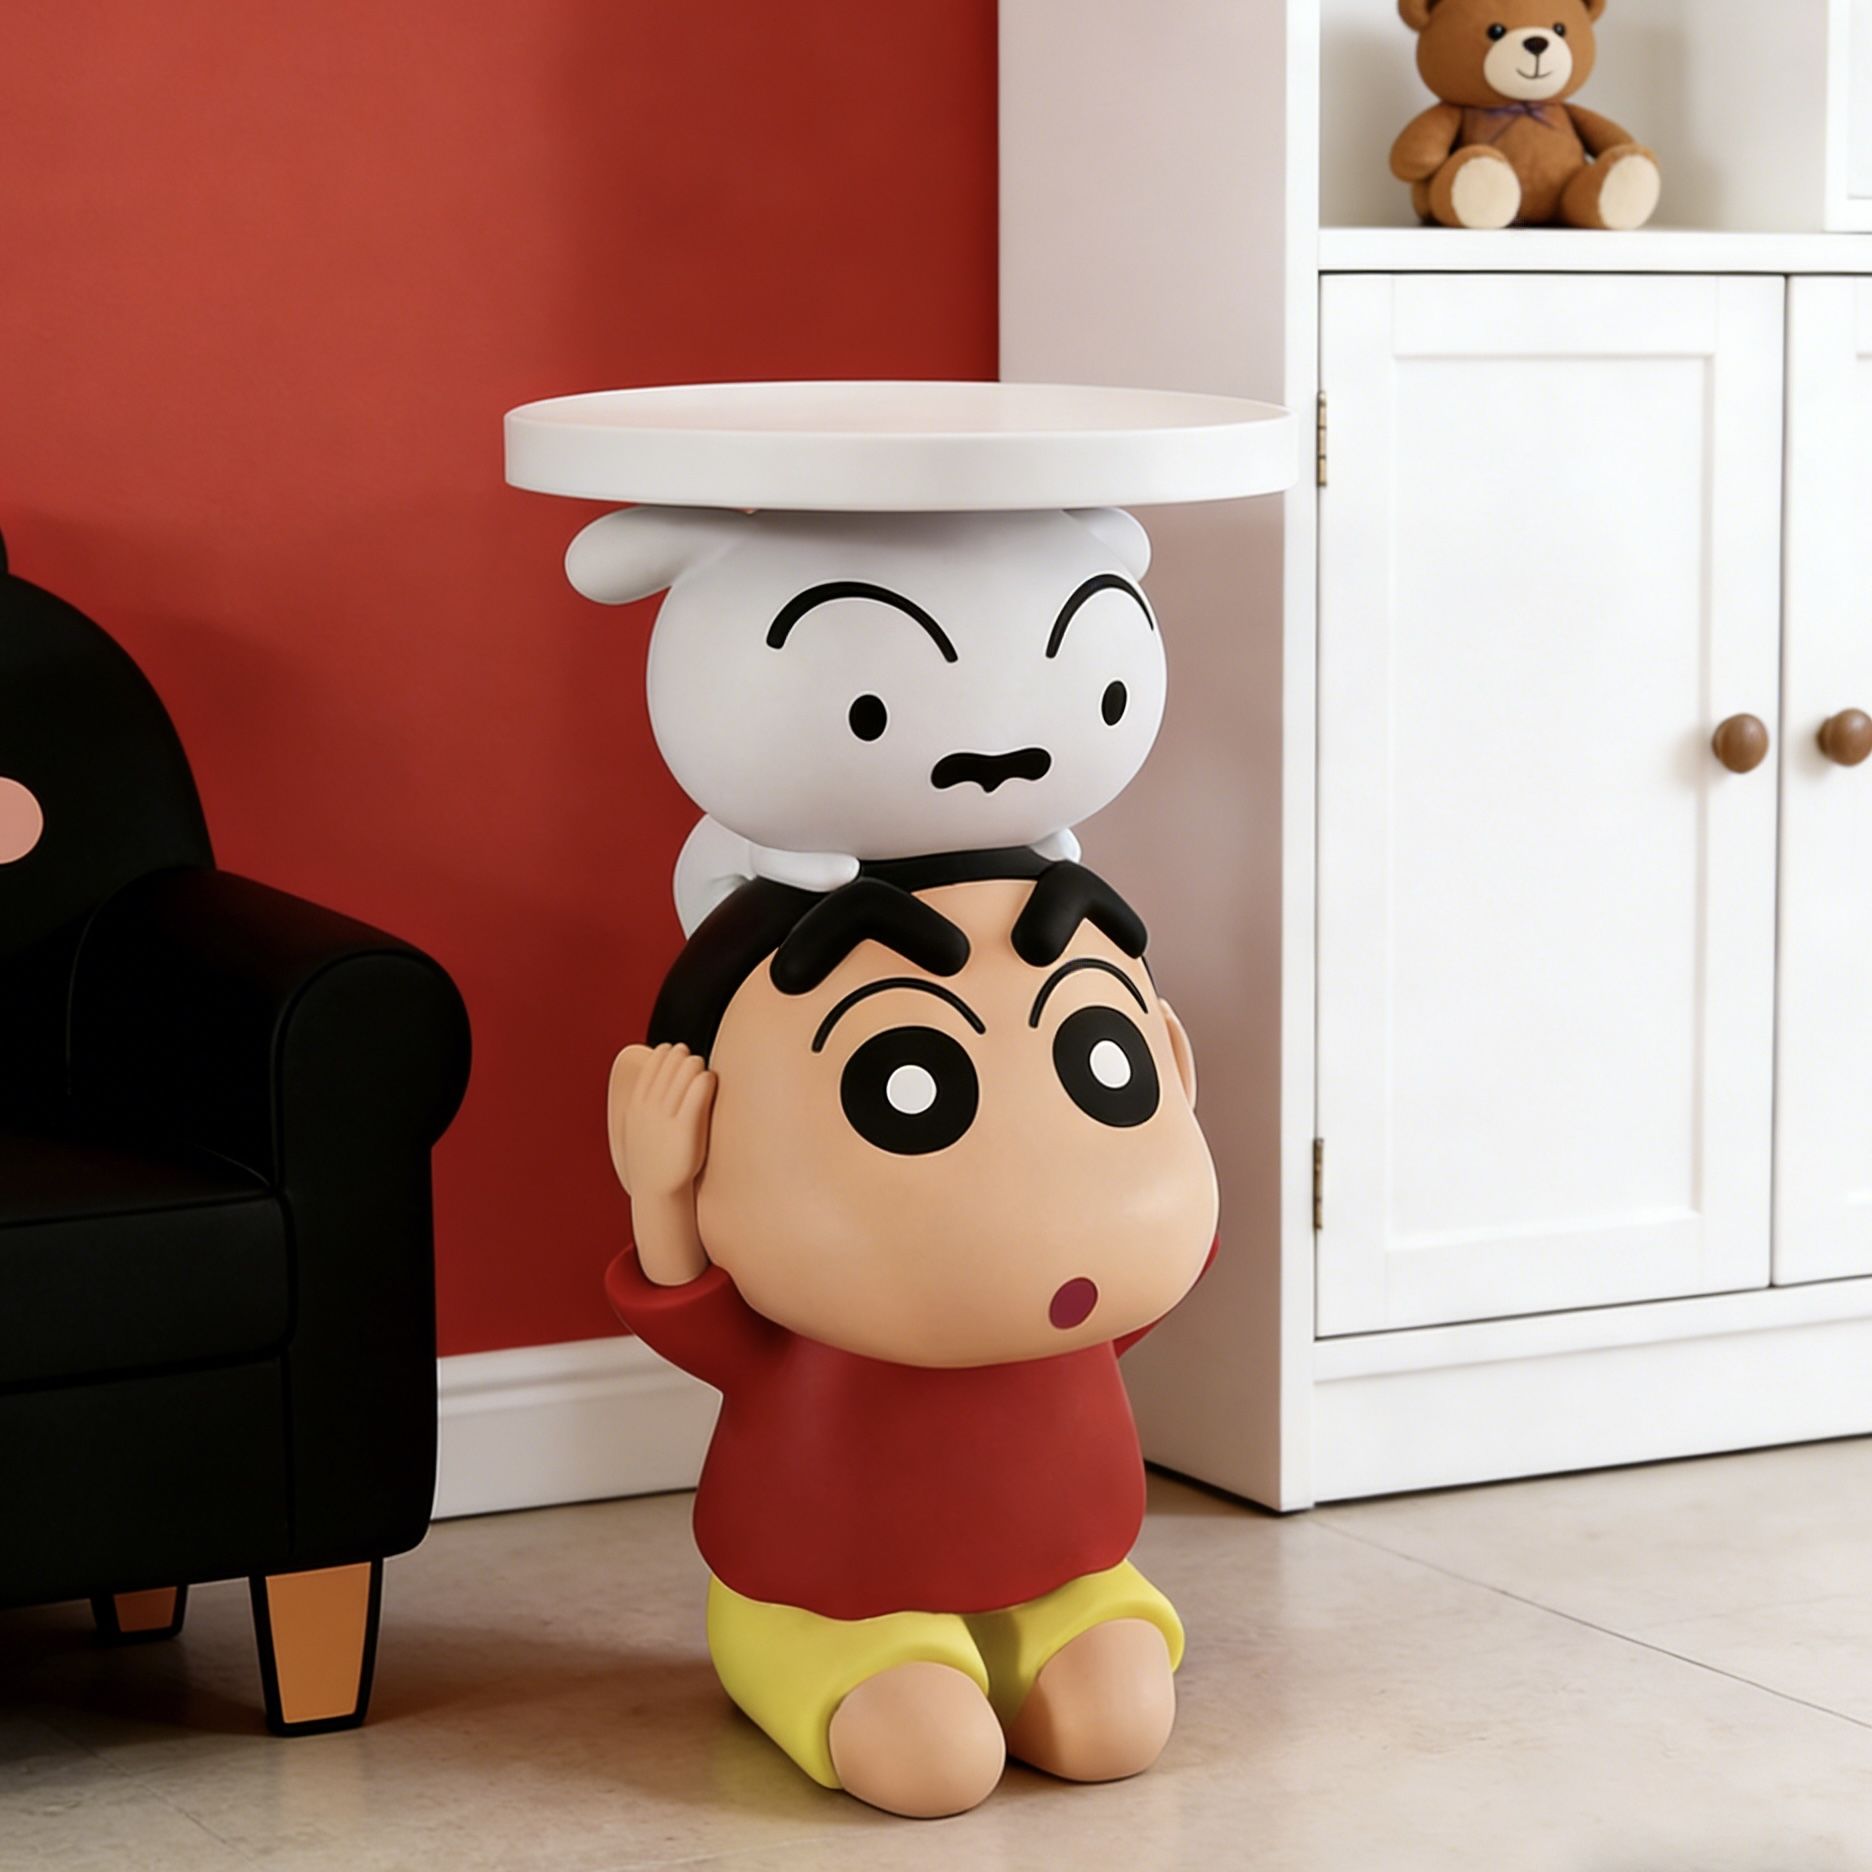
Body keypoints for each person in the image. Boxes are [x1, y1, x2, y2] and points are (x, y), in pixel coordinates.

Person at [605, 850, 1218, 1817]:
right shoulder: (813, 1329)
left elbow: (1146, 1282)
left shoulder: (1080, 1305)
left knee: (1117, 1730)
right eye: (907, 1083)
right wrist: (659, 1187)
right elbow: (700, 1321)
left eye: (1104, 1059)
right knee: (936, 1766)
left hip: (1062, 1573)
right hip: (830, 1599)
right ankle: (786, 1651)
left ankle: (1019, 1637)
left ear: (1170, 1058)